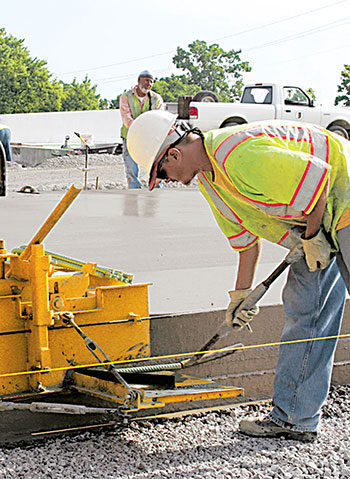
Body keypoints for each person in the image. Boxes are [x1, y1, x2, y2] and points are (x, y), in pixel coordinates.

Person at [127, 110, 350, 442]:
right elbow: (246, 243)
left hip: (341, 199)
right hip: (317, 222)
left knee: (309, 311)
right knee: (306, 308)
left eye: (163, 172)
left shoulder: (237, 154)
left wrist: (313, 238)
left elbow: (317, 181)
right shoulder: (211, 182)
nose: (167, 179)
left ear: (173, 153)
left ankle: (294, 416)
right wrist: (240, 296)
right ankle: (295, 418)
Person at [119, 70, 164, 188]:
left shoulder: (156, 99)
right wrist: (139, 130)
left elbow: (157, 118)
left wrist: (146, 131)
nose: (149, 84)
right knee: (131, 166)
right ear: (139, 80)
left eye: (151, 82)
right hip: (130, 137)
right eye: (146, 81)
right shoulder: (126, 97)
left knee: (153, 163)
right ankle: (134, 191)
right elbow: (126, 118)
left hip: (150, 138)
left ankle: (155, 189)